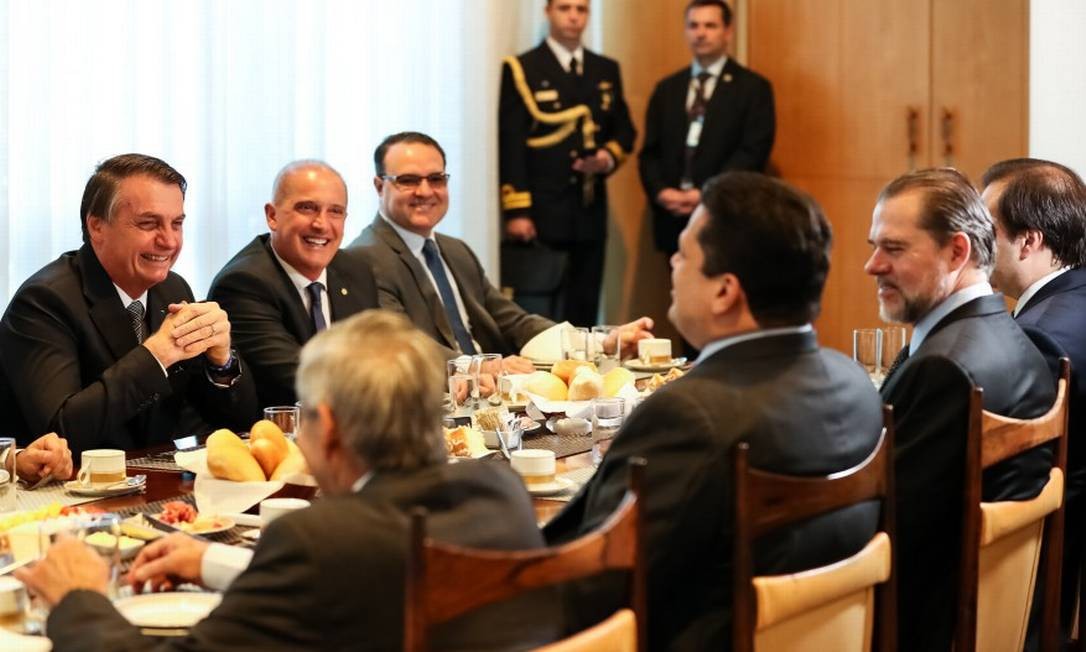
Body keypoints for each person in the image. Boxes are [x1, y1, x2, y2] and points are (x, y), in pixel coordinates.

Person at [17, 310, 561, 651]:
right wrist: (215, 561)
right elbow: (356, 581)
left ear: (328, 431)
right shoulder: (501, 493)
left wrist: (77, 600)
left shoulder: (316, 539)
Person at [544, 171, 883, 649]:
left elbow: (596, 590)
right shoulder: (858, 387)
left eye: (684, 253)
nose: (673, 265)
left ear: (725, 290)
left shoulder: (689, 416)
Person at [866, 167, 1056, 650]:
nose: (872, 265)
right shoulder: (1016, 338)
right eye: (875, 246)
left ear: (957, 251)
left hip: (930, 628)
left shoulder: (945, 369)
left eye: (893, 248)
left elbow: (888, 526)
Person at [0, 154, 257, 457]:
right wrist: (156, 355)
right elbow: (60, 431)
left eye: (177, 224)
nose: (169, 241)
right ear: (97, 226)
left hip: (152, 480)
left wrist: (222, 362)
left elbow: (240, 424)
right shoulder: (45, 300)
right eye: (149, 224)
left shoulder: (172, 288)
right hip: (64, 494)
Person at [350, 131, 652, 370]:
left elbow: (514, 322)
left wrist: (600, 343)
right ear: (379, 186)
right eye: (408, 180)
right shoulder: (363, 259)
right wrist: (483, 369)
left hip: (497, 398)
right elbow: (402, 347)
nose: (425, 191)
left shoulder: (456, 251)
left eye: (436, 179)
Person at [981, 157, 1086, 642]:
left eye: (987, 232)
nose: (976, 248)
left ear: (1029, 241)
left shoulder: (1038, 337)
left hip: (1052, 571)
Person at [498, 0, 637, 324]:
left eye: (581, 9)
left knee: (585, 306)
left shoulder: (605, 69)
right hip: (543, 210)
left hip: (589, 208)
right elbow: (512, 142)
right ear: (547, 12)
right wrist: (517, 210)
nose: (574, 16)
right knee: (541, 311)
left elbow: (625, 129)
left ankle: (584, 374)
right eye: (564, 8)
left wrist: (607, 157)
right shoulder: (524, 68)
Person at [209, 160, 379, 407]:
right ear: (272, 216)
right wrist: (389, 385)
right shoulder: (243, 284)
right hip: (278, 435)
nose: (321, 224)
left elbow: (381, 351)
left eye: (335, 211)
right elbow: (302, 379)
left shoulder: (355, 270)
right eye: (307, 208)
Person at [639, 0, 775, 257]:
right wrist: (661, 192)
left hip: (725, 216)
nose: (700, 33)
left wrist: (706, 193)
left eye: (710, 26)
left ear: (727, 32)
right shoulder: (667, 89)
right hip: (673, 218)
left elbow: (753, 151)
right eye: (693, 25)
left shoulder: (753, 88)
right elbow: (649, 153)